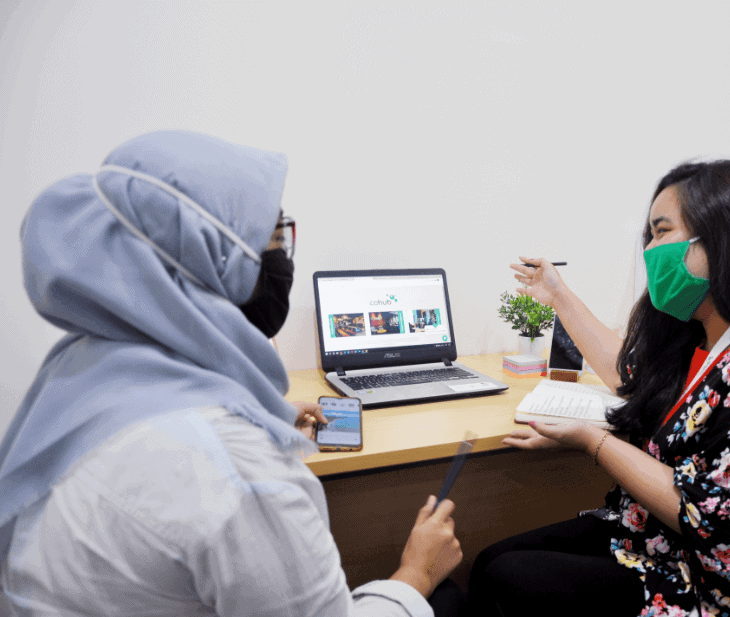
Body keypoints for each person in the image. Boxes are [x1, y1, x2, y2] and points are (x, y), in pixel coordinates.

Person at [0, 131, 463, 616]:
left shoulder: (78, 370)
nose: (283, 258)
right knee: (447, 597)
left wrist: (265, 413)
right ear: (209, 265)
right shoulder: (239, 468)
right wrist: (416, 573)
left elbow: (158, 430)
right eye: (274, 239)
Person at [466, 160, 730, 616]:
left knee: (504, 578)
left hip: (724, 590)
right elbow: (631, 378)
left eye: (662, 231)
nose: (651, 249)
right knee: (491, 561)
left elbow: (709, 517)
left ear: (724, 238)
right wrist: (559, 295)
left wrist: (591, 440)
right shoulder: (707, 336)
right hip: (662, 541)